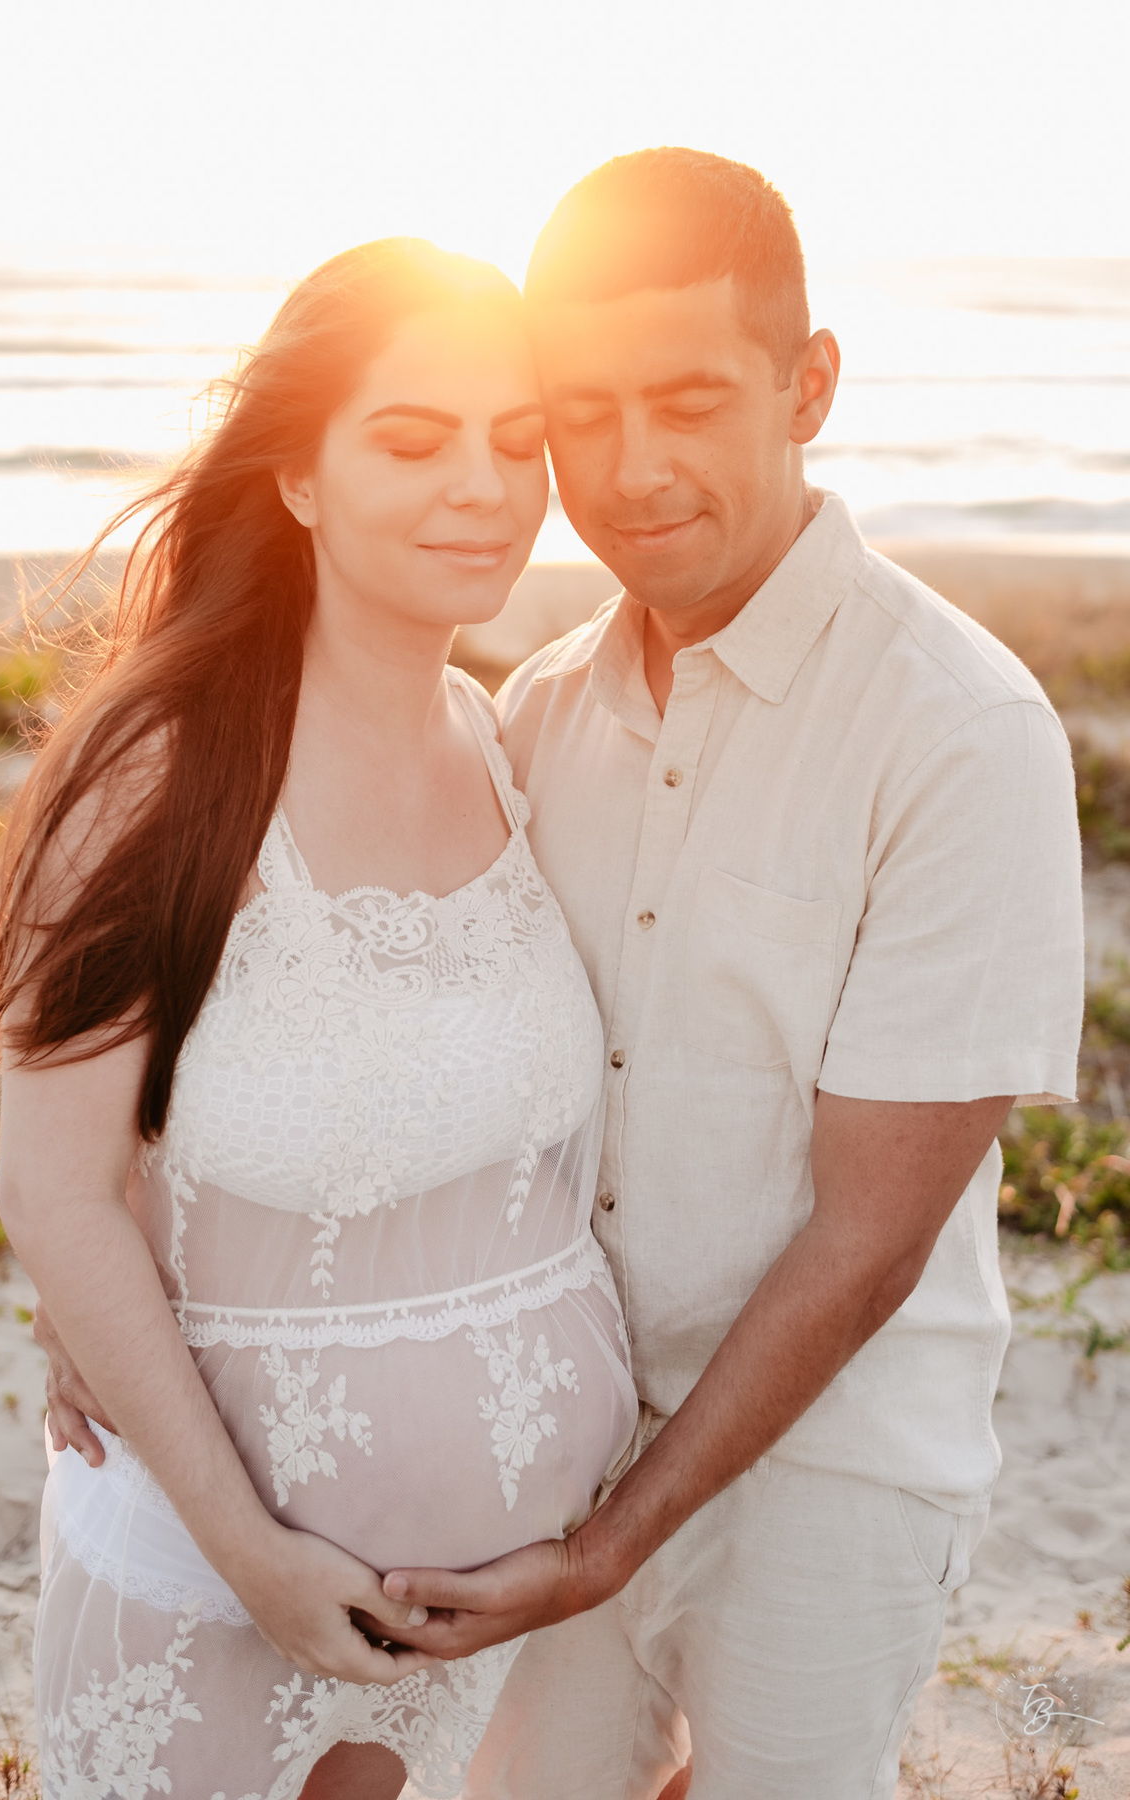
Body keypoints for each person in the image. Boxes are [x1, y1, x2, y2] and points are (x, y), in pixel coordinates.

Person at [368, 151, 1086, 1797]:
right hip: (551, 1438)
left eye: (689, 398)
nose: (631, 468)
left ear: (808, 384)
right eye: (584, 408)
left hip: (832, 1467)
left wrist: (625, 1537)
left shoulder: (961, 736)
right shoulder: (535, 711)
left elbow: (870, 1236)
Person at [0, 238, 637, 1800]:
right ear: (297, 477)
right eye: (412, 441)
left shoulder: (495, 738)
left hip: (509, 1637)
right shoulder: (155, 770)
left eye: (517, 440)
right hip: (231, 1603)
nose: (483, 485)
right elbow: (53, 1183)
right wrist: (260, 1558)